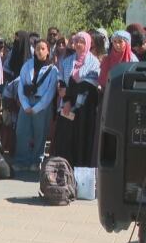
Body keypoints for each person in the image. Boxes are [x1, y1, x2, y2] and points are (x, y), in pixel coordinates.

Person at [54, 32, 101, 167]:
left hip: (85, 109)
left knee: (82, 139)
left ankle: (80, 170)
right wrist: (67, 100)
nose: (79, 44)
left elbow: (89, 86)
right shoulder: (67, 61)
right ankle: (64, 168)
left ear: (88, 44)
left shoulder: (93, 62)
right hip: (67, 106)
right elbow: (62, 82)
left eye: (82, 41)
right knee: (65, 138)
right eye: (77, 41)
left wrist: (68, 92)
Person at [15, 39, 58, 171]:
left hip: (42, 104)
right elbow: (21, 85)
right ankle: (22, 160)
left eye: (43, 49)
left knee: (40, 133)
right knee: (22, 131)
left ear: (48, 51)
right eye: (37, 48)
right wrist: (25, 105)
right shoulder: (27, 65)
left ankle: (36, 160)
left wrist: (37, 108)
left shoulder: (52, 69)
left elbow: (50, 92)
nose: (39, 51)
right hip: (26, 102)